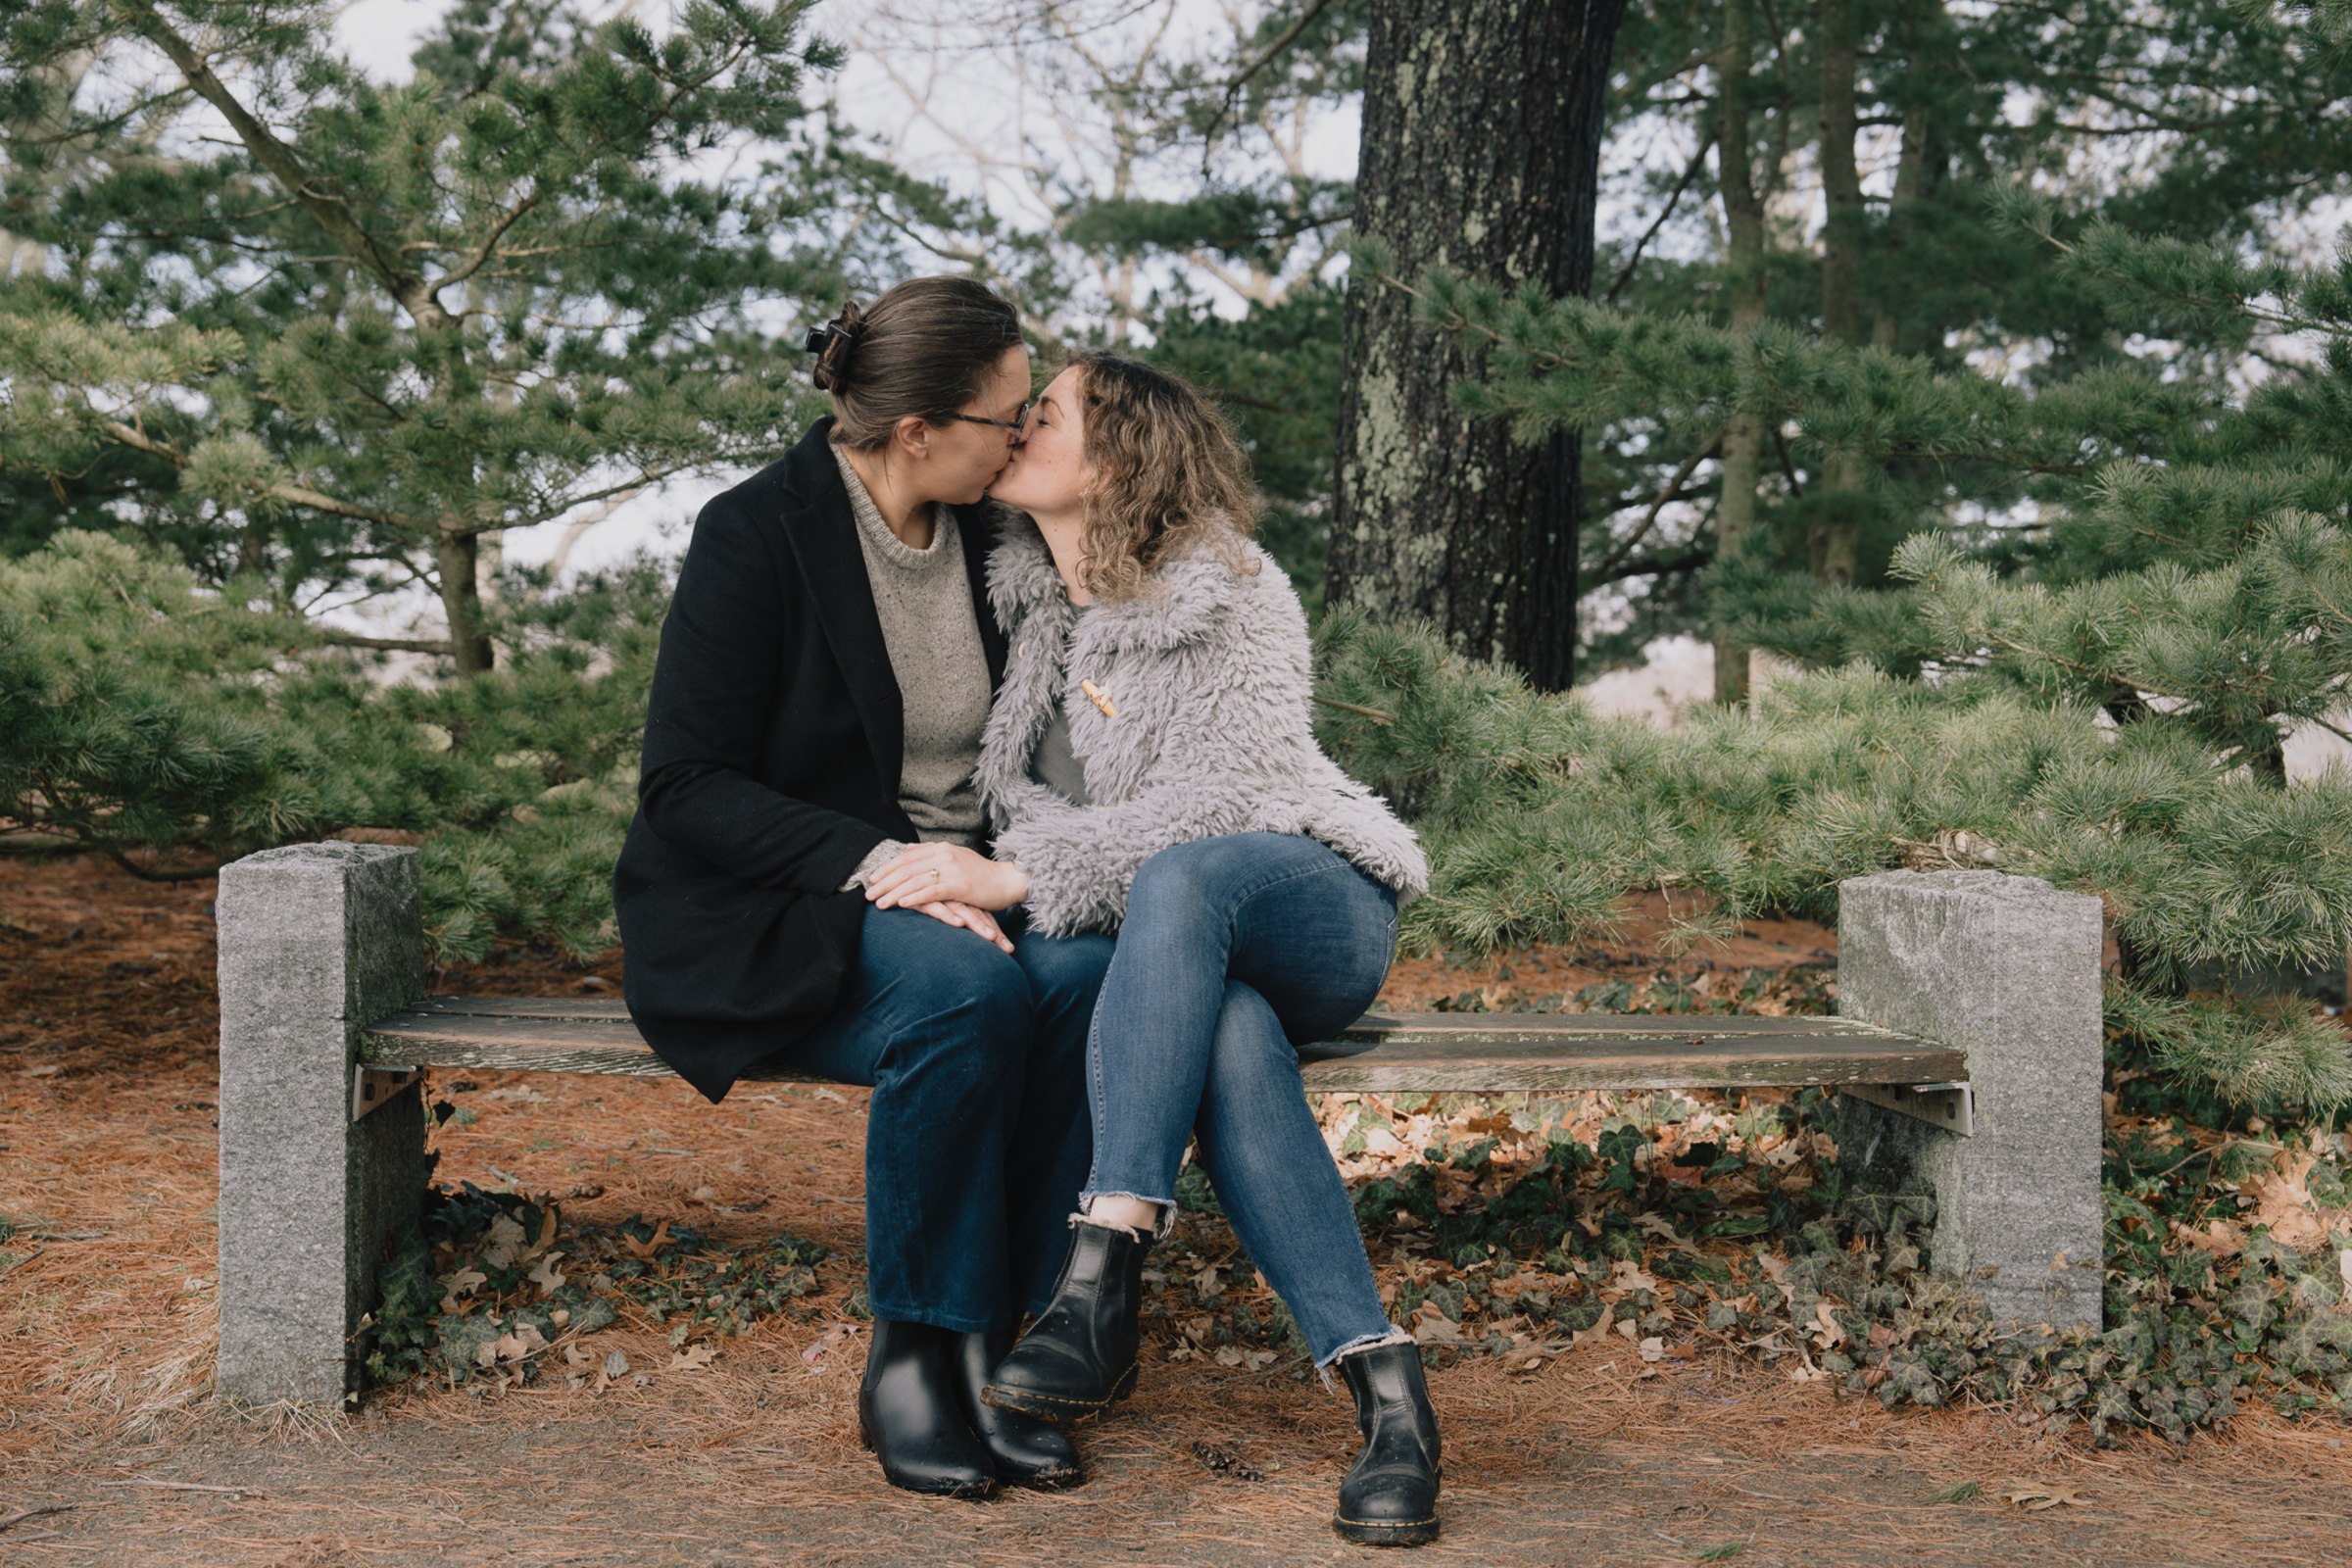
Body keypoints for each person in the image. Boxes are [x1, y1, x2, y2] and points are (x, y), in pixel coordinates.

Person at [856, 352, 1444, 1546]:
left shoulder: (1225, 583)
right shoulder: (1023, 598)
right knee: (1224, 1035)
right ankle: (1390, 1397)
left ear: (1117, 455)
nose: (1020, 424)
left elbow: (1235, 793)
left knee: (1184, 876)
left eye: (1052, 412)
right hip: (1171, 948)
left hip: (1305, 895)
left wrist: (1017, 876)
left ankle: (1105, 1259)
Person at [612, 277, 1116, 1501]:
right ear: (917, 431)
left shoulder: (998, 540)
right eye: (1007, 416)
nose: (1022, 439)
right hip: (787, 900)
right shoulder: (760, 531)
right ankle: (913, 1353)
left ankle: (1007, 1343)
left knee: (1089, 979)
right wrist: (886, 868)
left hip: (974, 883)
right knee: (958, 997)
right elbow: (685, 781)